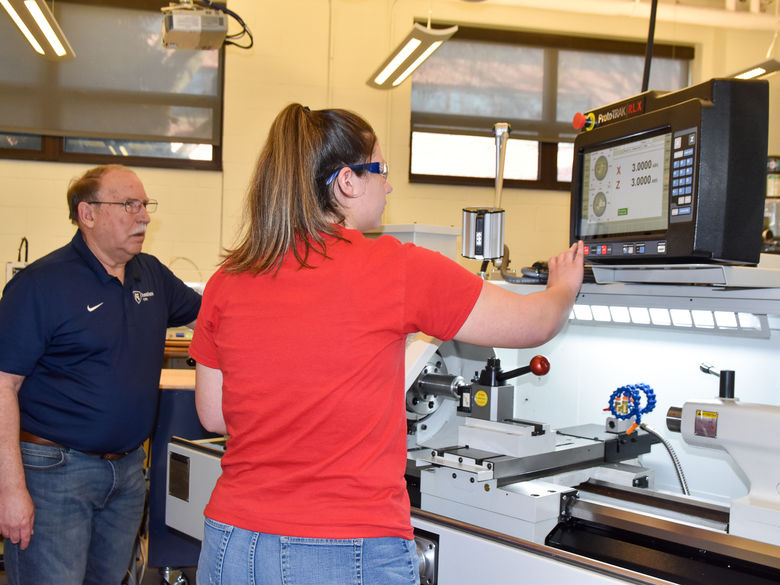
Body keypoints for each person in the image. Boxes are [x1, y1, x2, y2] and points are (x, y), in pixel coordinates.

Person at [190, 103, 583, 585]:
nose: (389, 185)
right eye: (382, 171)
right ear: (347, 182)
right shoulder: (395, 268)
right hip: (341, 546)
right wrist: (563, 284)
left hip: (232, 541)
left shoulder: (228, 280)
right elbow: (534, 323)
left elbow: (213, 414)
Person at [0, 164, 202, 585]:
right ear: (87, 214)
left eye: (145, 205)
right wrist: (10, 489)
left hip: (127, 473)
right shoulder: (41, 284)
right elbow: (4, 386)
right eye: (130, 205)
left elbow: (215, 310)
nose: (144, 216)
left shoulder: (152, 275)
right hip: (53, 474)